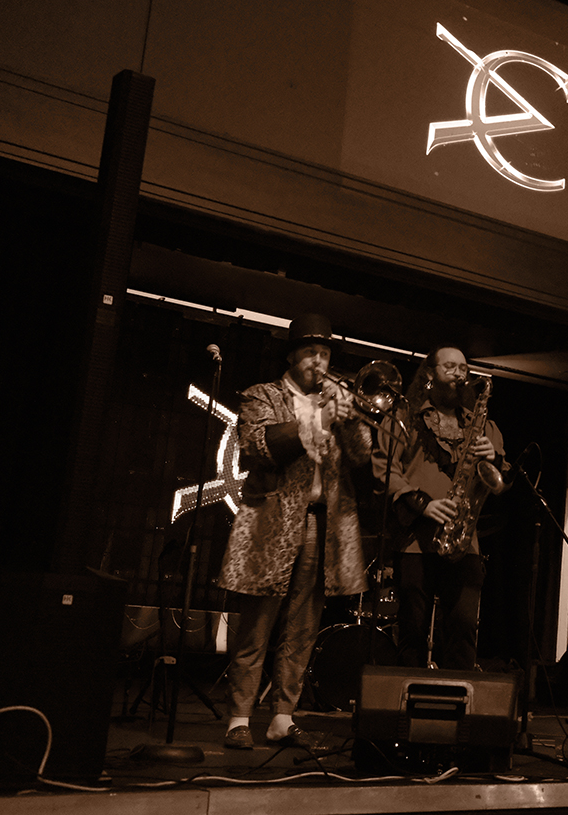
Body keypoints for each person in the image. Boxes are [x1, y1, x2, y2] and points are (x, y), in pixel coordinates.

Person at [216, 314, 371, 749]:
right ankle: (239, 719)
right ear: (291, 356)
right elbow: (257, 447)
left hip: (322, 523)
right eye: (310, 352)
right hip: (272, 523)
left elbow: (362, 456)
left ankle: (283, 717)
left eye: (325, 354)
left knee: (303, 627)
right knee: (257, 625)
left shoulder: (337, 401)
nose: (318, 362)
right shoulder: (263, 395)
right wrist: (318, 417)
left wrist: (349, 418)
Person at [372, 346, 510, 672]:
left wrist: (493, 457)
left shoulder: (483, 426)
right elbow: (383, 470)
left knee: (464, 629)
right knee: (413, 629)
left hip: (463, 542)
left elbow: (501, 482)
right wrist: (423, 504)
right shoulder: (403, 418)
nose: (459, 374)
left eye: (463, 368)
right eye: (450, 367)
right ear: (430, 374)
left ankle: (457, 695)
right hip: (415, 542)